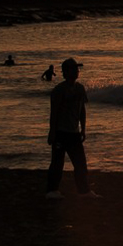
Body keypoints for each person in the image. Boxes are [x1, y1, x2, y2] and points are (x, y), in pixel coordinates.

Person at [45, 58, 97, 199]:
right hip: (61, 132)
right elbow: (54, 112)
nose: (76, 71)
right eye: (73, 69)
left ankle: (84, 191)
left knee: (80, 163)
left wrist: (83, 129)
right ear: (66, 72)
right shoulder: (59, 90)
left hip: (74, 133)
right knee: (57, 163)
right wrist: (52, 132)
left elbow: (82, 110)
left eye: (77, 69)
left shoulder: (80, 88)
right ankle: (52, 190)